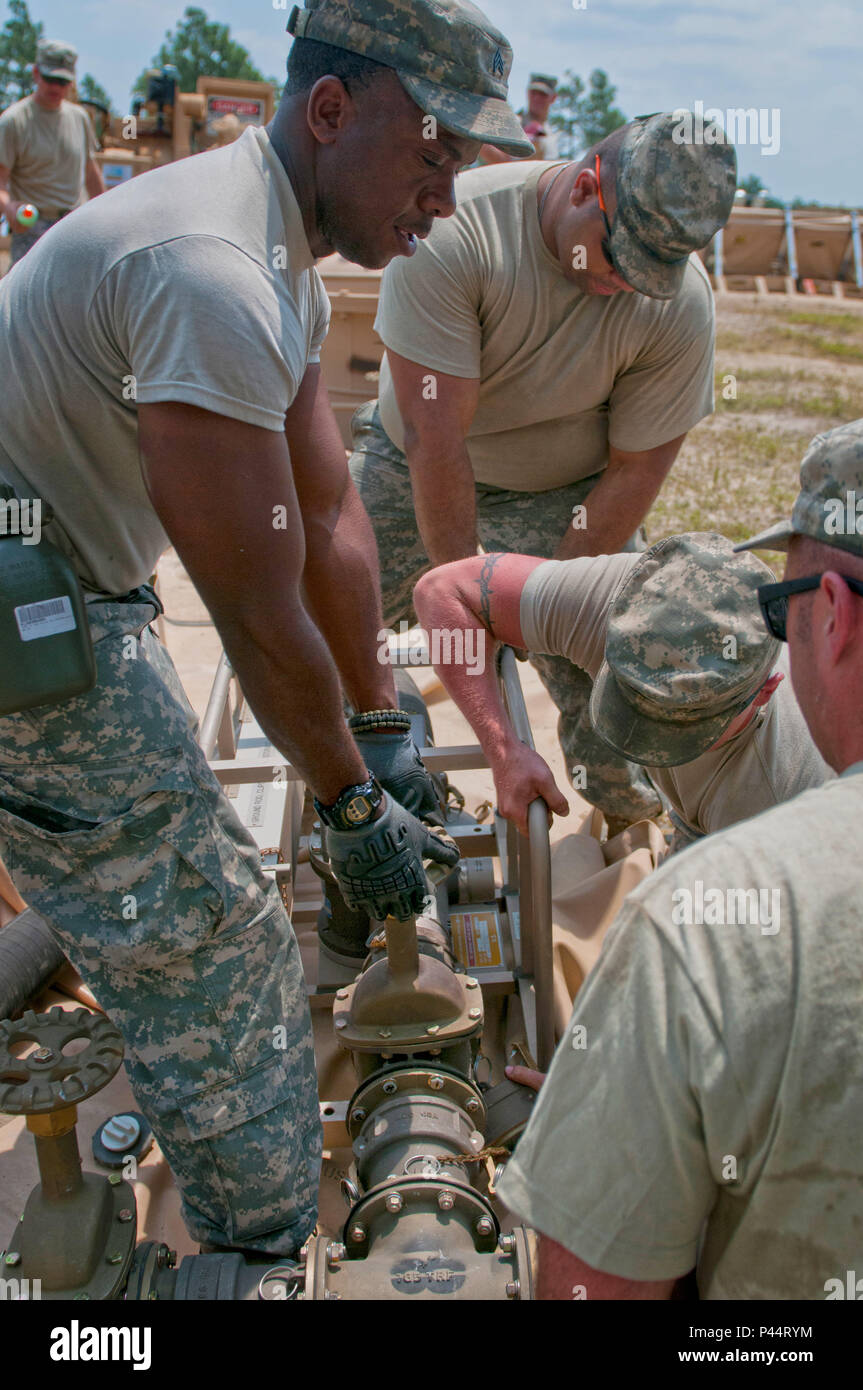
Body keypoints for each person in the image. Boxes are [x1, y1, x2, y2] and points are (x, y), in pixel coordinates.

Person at [0, 0, 531, 1258]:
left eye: (462, 167)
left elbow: (330, 515)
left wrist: (381, 731)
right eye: (431, 156)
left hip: (70, 583)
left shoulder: (276, 250)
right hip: (33, 606)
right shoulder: (211, 270)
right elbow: (250, 605)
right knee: (219, 923)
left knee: (160, 840)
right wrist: (348, 809)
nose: (443, 201)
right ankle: (254, 1243)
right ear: (333, 111)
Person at [496, 419, 863, 1300]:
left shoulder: (712, 924)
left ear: (834, 618)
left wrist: (619, 1118)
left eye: (787, 610)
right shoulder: (642, 594)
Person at [349, 110, 737, 836]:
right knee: (329, 615)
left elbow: (633, 473)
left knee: (623, 664)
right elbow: (438, 443)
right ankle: (370, 797)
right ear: (587, 186)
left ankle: (632, 828)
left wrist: (544, 612)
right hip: (413, 467)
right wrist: (474, 615)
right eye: (615, 260)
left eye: (650, 276)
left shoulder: (677, 303)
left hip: (567, 496)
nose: (626, 285)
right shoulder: (455, 235)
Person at [413, 532, 831, 840]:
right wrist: (503, 751)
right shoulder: (633, 598)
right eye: (632, 696)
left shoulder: (774, 798)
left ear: (765, 691)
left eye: (679, 728)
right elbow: (444, 591)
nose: (644, 738)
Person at [0, 39, 105, 265]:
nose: (56, 87)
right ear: (36, 73)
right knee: (27, 299)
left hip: (74, 226)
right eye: (50, 79)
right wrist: (8, 207)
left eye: (63, 81)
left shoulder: (79, 119)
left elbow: (90, 171)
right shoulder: (14, 121)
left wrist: (106, 211)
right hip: (31, 227)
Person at [479, 72, 559, 163]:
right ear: (528, 93)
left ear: (553, 98)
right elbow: (489, 149)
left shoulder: (552, 135)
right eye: (533, 93)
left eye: (542, 94)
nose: (537, 98)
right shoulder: (512, 122)